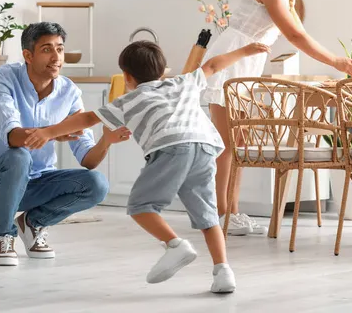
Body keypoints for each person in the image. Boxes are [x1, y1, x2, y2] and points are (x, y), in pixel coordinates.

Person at [23, 40, 272, 293]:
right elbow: (213, 64)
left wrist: (48, 131)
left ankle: (175, 245)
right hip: (205, 146)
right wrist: (246, 51)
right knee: (208, 215)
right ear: (163, 71)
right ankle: (223, 272)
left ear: (127, 76)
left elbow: (87, 118)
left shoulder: (129, 100)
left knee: (141, 207)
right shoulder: (183, 81)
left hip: (172, 147)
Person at [201, 0, 352, 236]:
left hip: (248, 61)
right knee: (228, 145)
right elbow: (295, 36)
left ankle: (232, 212)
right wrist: (338, 62)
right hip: (231, 58)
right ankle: (221, 214)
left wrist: (334, 61)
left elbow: (300, 32)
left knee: (240, 144)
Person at [0, 22, 110, 266]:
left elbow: (88, 159)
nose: (56, 57)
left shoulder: (70, 92)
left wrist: (107, 139)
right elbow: (12, 136)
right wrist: (52, 134)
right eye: (47, 49)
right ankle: (3, 236)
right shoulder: (1, 78)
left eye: (60, 49)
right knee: (19, 155)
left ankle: (33, 223)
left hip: (37, 185)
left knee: (97, 183)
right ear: (28, 55)